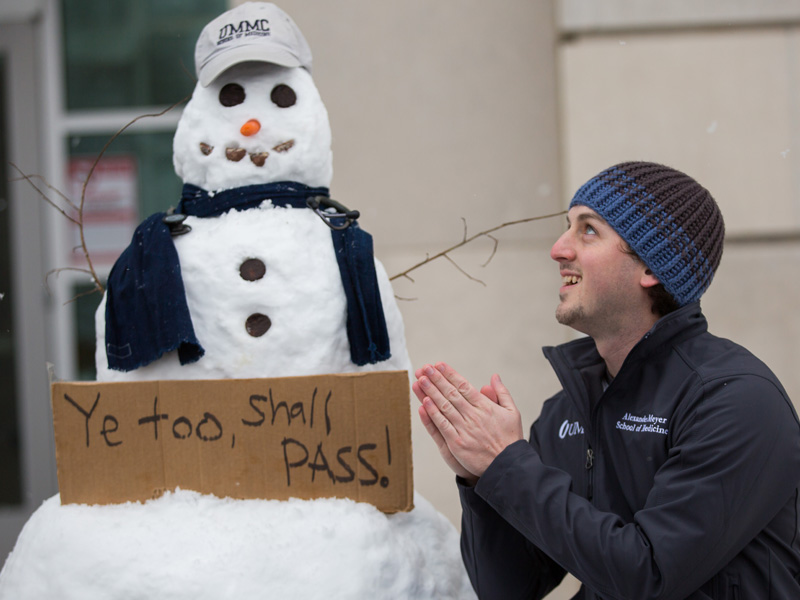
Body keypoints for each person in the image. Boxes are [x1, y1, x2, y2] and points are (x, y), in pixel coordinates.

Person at [413, 161, 800, 599]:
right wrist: (481, 479)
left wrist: (508, 465)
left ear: (650, 267)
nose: (558, 249)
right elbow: (507, 587)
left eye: (588, 230)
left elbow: (648, 575)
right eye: (567, 227)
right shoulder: (569, 409)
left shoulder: (734, 401)